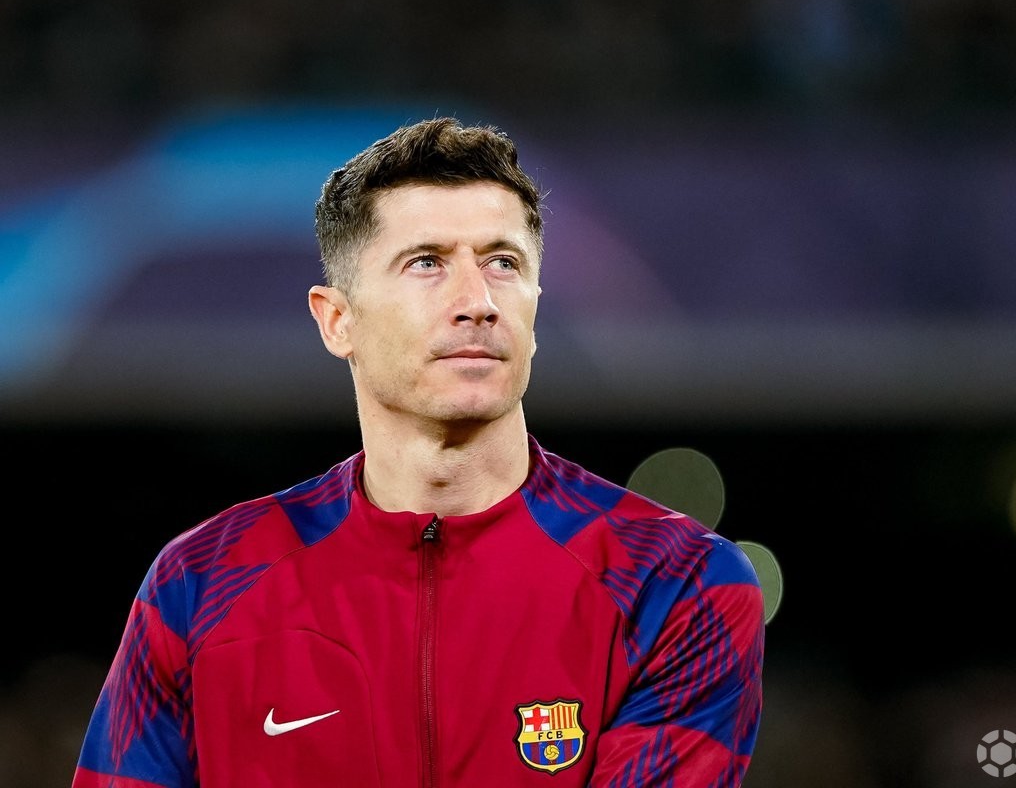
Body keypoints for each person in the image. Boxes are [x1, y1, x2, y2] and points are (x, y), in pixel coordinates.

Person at [72, 117, 765, 787]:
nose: (477, 301)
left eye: (503, 263)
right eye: (427, 263)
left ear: (534, 306)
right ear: (337, 320)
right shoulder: (199, 584)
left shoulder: (676, 582)